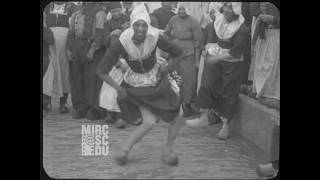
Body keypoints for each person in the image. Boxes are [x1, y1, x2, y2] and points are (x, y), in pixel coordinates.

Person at [96, 4, 187, 166]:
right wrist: (119, 89)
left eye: (144, 24)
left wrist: (167, 68)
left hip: (156, 79)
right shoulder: (121, 42)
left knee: (178, 114)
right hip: (137, 84)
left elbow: (179, 53)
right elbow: (101, 70)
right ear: (131, 25)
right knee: (149, 121)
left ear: (148, 25)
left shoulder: (154, 37)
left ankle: (168, 149)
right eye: (137, 24)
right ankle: (124, 150)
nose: (140, 29)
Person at [185, 2, 250, 140]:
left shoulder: (242, 29)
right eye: (225, 6)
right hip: (216, 57)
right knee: (207, 83)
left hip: (233, 63)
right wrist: (206, 48)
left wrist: (216, 58)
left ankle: (226, 124)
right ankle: (204, 116)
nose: (226, 10)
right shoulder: (218, 21)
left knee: (228, 92)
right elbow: (210, 33)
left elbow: (236, 52)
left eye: (230, 7)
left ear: (237, 11)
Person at [66, 2, 107, 120]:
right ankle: (80, 108)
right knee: (76, 77)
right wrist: (69, 48)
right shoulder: (76, 11)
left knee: (92, 79)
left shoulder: (100, 12)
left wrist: (93, 49)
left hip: (91, 45)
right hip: (76, 45)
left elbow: (100, 33)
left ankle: (94, 109)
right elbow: (71, 31)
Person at [164, 3, 202, 117]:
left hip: (188, 56)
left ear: (188, 10)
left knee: (188, 80)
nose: (181, 11)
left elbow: (198, 42)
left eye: (184, 9)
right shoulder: (173, 19)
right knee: (174, 78)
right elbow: (166, 34)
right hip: (174, 55)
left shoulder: (194, 22)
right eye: (179, 9)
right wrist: (166, 50)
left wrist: (196, 61)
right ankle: (174, 104)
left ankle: (186, 104)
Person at [101, 2, 133, 128]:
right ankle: (110, 112)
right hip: (113, 59)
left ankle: (121, 114)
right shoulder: (107, 24)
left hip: (128, 58)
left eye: (118, 11)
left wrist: (124, 29)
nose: (116, 13)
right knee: (111, 86)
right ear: (110, 13)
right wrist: (112, 33)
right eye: (113, 11)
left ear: (122, 10)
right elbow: (105, 42)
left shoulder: (129, 19)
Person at [43, 2, 76, 114]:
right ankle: (47, 102)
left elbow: (74, 26)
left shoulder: (72, 7)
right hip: (49, 42)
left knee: (64, 71)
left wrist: (70, 45)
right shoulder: (47, 7)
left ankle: (63, 103)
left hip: (65, 42)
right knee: (49, 70)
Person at [250, 2, 280, 110]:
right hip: (264, 36)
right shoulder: (260, 7)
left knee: (272, 65)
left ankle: (271, 94)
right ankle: (260, 91)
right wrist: (253, 43)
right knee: (261, 65)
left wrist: (273, 19)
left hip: (276, 35)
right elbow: (257, 19)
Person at [43, 12, 54, 117]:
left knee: (45, 82)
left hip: (44, 58)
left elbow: (50, 41)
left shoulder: (46, 30)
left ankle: (45, 103)